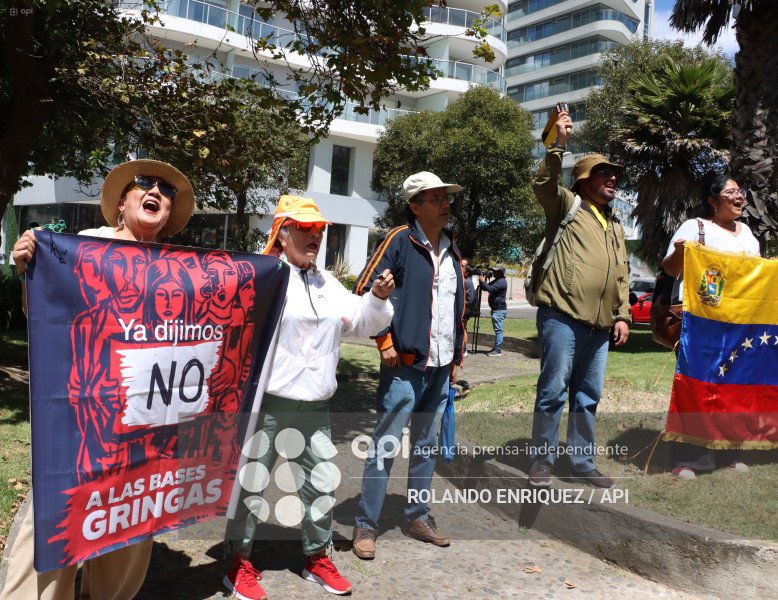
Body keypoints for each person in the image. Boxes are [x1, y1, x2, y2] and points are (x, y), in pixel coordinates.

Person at [5, 159, 195, 600]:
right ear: (122, 203)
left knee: (129, 524)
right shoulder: (79, 247)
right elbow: (43, 316)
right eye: (145, 184)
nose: (156, 193)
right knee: (56, 523)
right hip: (80, 420)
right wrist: (26, 268)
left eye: (166, 192)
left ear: (168, 215)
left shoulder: (181, 269)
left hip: (147, 426)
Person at [222, 195, 394, 599]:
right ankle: (237, 562)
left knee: (320, 483)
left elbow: (361, 322)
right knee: (250, 484)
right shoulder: (263, 276)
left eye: (318, 229)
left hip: (315, 404)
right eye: (304, 228)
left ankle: (317, 557)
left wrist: (379, 298)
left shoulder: (326, 283)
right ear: (282, 233)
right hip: (268, 402)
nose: (314, 235)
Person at [351, 171, 465, 560]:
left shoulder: (453, 249)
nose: (445, 204)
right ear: (415, 206)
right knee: (385, 446)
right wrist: (383, 340)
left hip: (440, 366)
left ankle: (418, 516)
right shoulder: (400, 240)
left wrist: (456, 357)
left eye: (446, 198)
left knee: (426, 446)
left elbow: (455, 308)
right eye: (435, 199)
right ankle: (366, 525)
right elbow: (365, 291)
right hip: (404, 365)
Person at [527, 112, 631, 490]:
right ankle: (542, 461)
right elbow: (543, 183)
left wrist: (623, 316)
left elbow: (622, 273)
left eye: (615, 174)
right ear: (585, 181)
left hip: (601, 327)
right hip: (562, 317)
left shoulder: (615, 224)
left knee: (588, 397)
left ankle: (582, 464)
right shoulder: (566, 206)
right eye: (604, 174)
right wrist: (558, 144)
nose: (613, 178)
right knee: (553, 391)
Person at [662, 175, 759, 480]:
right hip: (701, 325)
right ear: (713, 201)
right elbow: (670, 269)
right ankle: (690, 459)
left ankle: (729, 453)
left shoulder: (748, 235)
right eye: (730, 192)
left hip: (740, 325)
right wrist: (680, 251)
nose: (738, 196)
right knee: (698, 389)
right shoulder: (695, 227)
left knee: (733, 391)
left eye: (739, 191)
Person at [479, 264, 508, 357]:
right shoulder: (498, 280)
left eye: (495, 271)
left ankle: (498, 349)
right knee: (497, 330)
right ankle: (496, 348)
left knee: (498, 330)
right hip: (496, 309)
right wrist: (484, 281)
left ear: (500, 272)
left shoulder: (501, 282)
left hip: (499, 310)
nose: (493, 272)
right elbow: (485, 287)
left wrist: (484, 282)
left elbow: (490, 289)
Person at [460, 258, 477, 356]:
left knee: (462, 328)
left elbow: (470, 298)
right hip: (467, 307)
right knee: (463, 328)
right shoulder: (468, 281)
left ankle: (464, 348)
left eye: (463, 267)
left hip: (465, 308)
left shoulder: (467, 282)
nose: (461, 268)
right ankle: (463, 348)